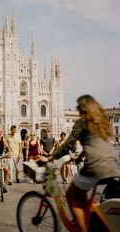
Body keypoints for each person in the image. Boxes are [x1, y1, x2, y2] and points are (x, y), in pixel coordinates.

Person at [52, 95, 120, 232]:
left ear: (84, 108)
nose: (77, 109)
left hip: (95, 166)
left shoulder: (81, 122)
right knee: (83, 194)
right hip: (113, 166)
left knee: (72, 195)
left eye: (78, 106)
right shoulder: (101, 122)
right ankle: (87, 219)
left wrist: (51, 157)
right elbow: (94, 143)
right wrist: (80, 156)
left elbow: (68, 144)